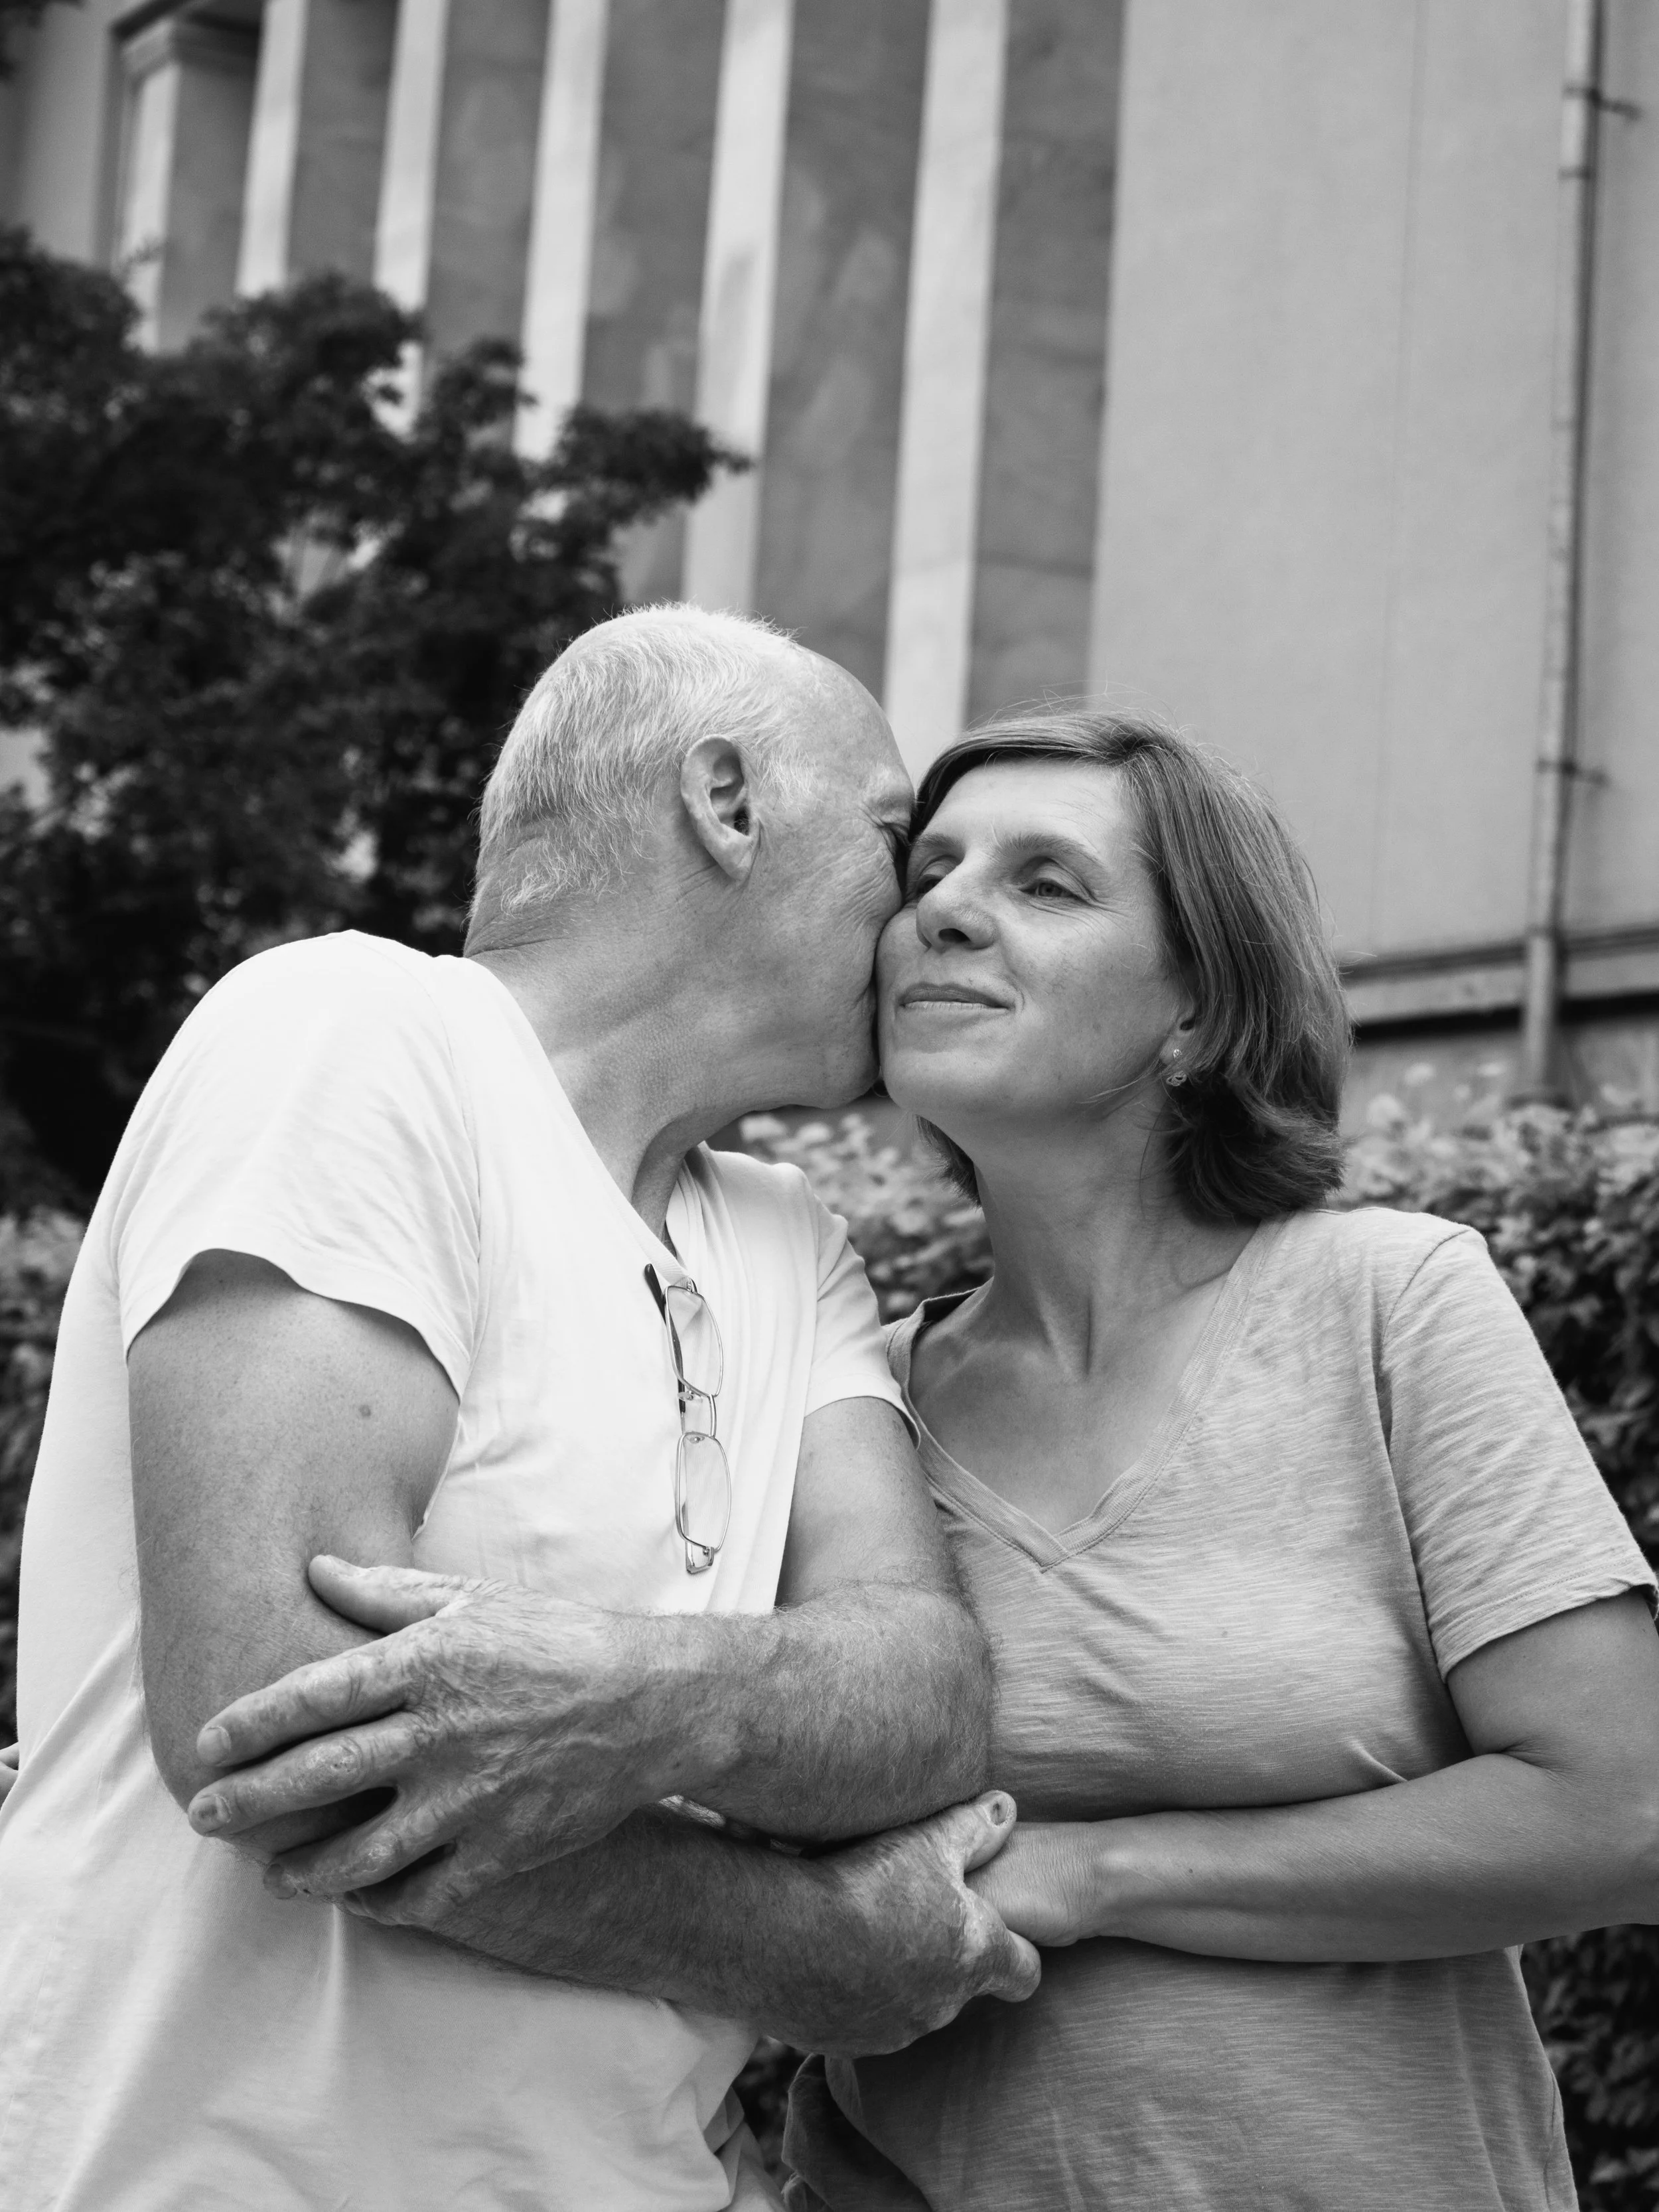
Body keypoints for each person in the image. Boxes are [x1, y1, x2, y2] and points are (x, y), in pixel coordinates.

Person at [0, 607, 1039, 2212]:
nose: (922, 917)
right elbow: (287, 1738)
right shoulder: (352, 1035)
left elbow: (924, 1690)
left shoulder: (787, 1237)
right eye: (899, 839)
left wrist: (638, 1699)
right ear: (727, 799)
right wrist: (815, 1947)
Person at [778, 705, 1659, 2211]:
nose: (944, 908)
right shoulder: (850, 1388)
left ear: (1192, 1007)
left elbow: (1620, 1811)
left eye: (1045, 881)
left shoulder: (1387, 1299)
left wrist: (1100, 1873)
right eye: (929, 868)